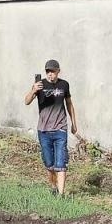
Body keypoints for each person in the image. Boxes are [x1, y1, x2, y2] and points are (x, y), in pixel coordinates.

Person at [24, 59, 80, 195]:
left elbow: (69, 104)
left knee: (61, 165)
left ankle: (61, 196)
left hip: (60, 129)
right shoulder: (40, 85)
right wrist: (33, 91)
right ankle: (53, 187)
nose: (50, 74)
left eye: (52, 71)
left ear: (58, 71)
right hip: (43, 130)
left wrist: (74, 123)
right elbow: (26, 101)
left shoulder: (64, 85)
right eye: (48, 71)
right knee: (49, 164)